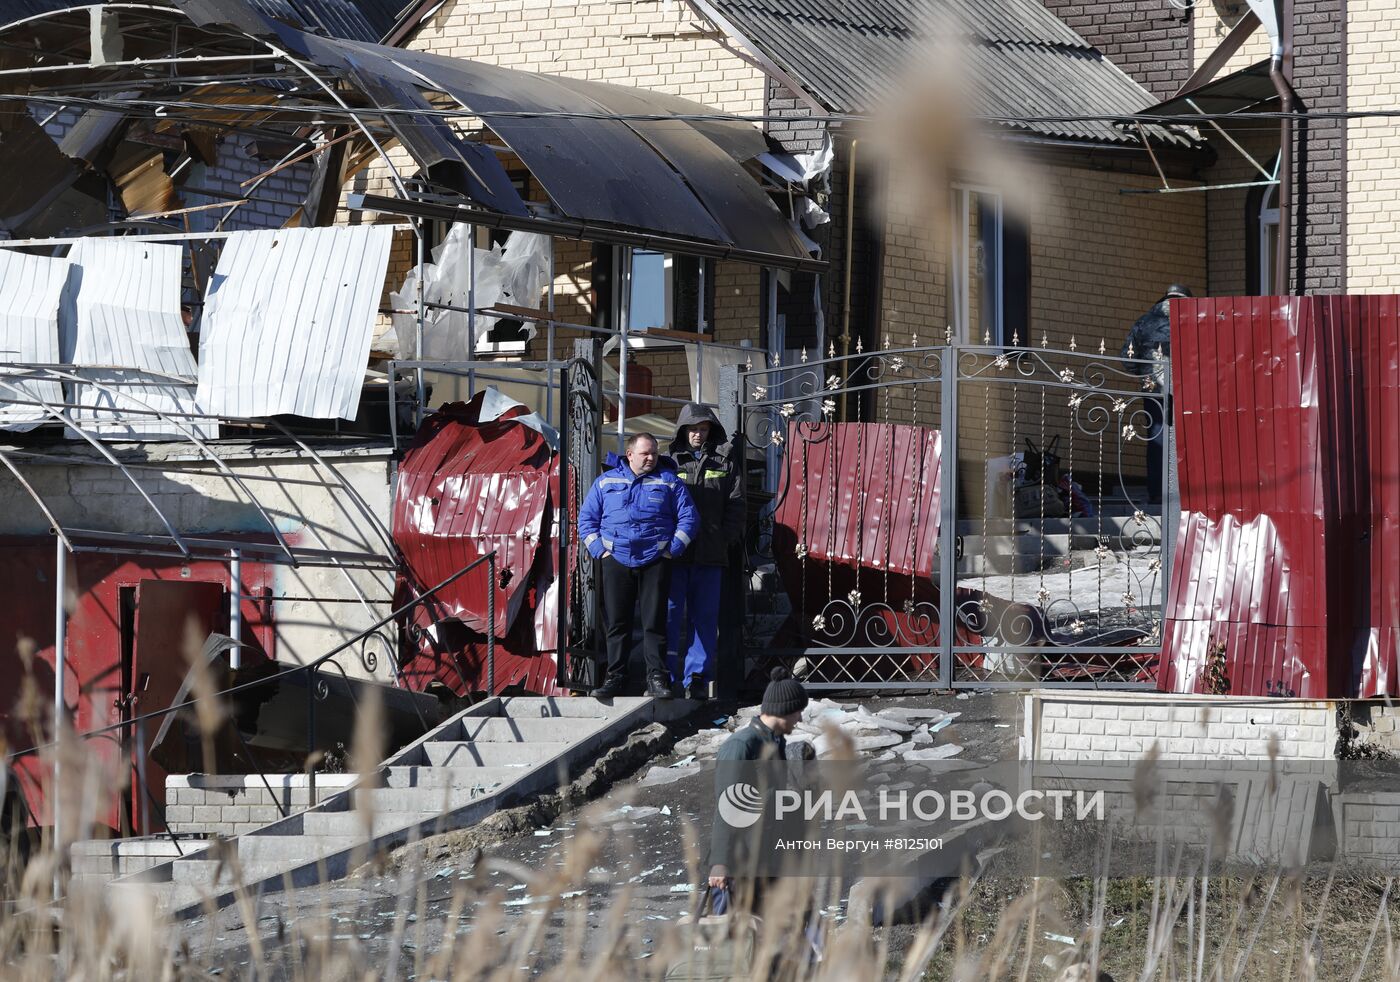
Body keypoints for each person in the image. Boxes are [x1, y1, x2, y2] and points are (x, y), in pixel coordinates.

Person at [577, 432, 699, 700]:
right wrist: (600, 551)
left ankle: (657, 679)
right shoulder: (605, 481)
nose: (651, 458)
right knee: (617, 624)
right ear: (629, 454)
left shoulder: (670, 482)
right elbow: (586, 520)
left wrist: (671, 550)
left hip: (655, 560)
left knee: (654, 623)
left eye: (654, 453)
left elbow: (689, 519)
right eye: (645, 453)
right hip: (615, 560)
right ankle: (615, 677)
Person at [707, 667, 809, 900]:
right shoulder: (741, 746)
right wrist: (720, 862)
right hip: (740, 863)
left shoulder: (775, 742)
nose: (800, 719)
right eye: (798, 712)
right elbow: (726, 807)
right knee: (733, 931)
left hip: (766, 857)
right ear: (784, 709)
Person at [667, 403, 745, 700]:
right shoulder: (670, 460)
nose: (698, 435)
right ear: (683, 430)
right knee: (670, 616)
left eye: (703, 429)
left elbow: (736, 504)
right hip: (675, 555)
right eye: (693, 429)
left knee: (704, 618)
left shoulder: (725, 461)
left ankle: (697, 677)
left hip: (711, 554)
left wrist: (724, 538)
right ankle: (666, 675)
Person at [1121, 284, 1190, 504]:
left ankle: (1158, 492)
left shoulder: (1144, 322)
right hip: (1185, 387)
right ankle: (1185, 491)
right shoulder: (1192, 321)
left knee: (1157, 437)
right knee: (1187, 438)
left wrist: (1145, 372)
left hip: (1152, 389)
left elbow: (1127, 359)